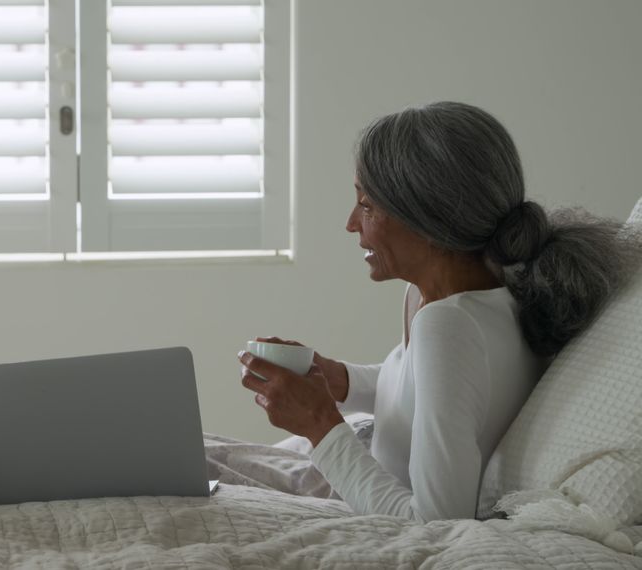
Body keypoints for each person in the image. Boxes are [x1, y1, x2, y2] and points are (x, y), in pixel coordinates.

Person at [237, 101, 636, 522]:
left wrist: (319, 423)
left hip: (376, 498)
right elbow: (424, 389)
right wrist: (339, 378)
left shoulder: (450, 326)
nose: (352, 223)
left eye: (368, 205)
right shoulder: (477, 289)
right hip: (365, 451)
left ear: (429, 218)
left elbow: (436, 519)